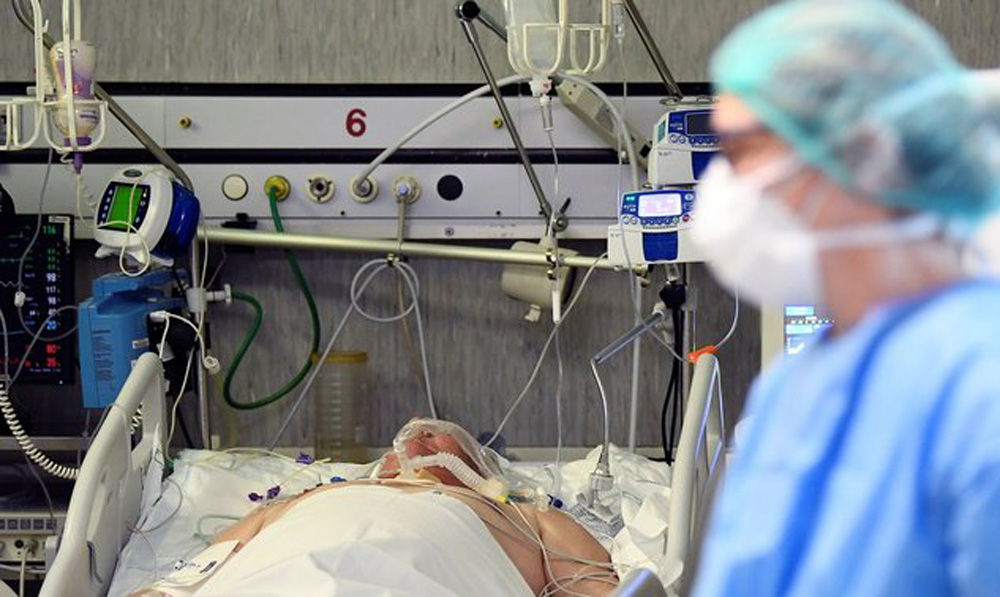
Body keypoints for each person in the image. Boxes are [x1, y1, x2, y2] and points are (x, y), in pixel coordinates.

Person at [688, 1, 1000, 595]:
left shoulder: (981, 386)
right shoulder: (794, 387)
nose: (724, 186)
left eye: (743, 152)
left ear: (866, 152)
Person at [133, 419, 616, 596]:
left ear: (476, 464)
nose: (414, 435)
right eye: (405, 436)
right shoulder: (318, 496)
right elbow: (205, 566)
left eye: (434, 433)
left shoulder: (519, 515)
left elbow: (592, 585)